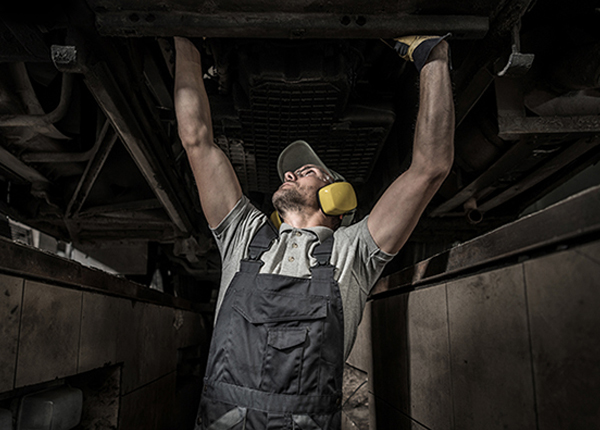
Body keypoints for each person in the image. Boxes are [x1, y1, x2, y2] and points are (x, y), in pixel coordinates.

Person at [174, 35, 454, 430]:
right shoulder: (243, 236)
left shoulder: (354, 252)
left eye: (306, 171)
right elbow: (196, 140)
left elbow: (430, 167)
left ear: (337, 196)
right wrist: (185, 39)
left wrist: (432, 57)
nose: (288, 173)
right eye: (291, 172)